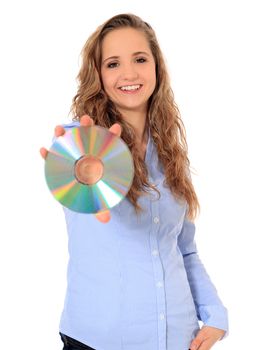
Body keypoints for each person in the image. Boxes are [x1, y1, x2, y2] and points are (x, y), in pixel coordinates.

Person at [40, 13, 228, 350]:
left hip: (178, 339)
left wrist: (214, 316)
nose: (129, 73)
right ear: (97, 75)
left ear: (156, 66)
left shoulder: (172, 155)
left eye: (140, 59)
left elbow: (184, 251)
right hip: (97, 341)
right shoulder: (79, 141)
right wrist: (88, 171)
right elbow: (74, 170)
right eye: (113, 64)